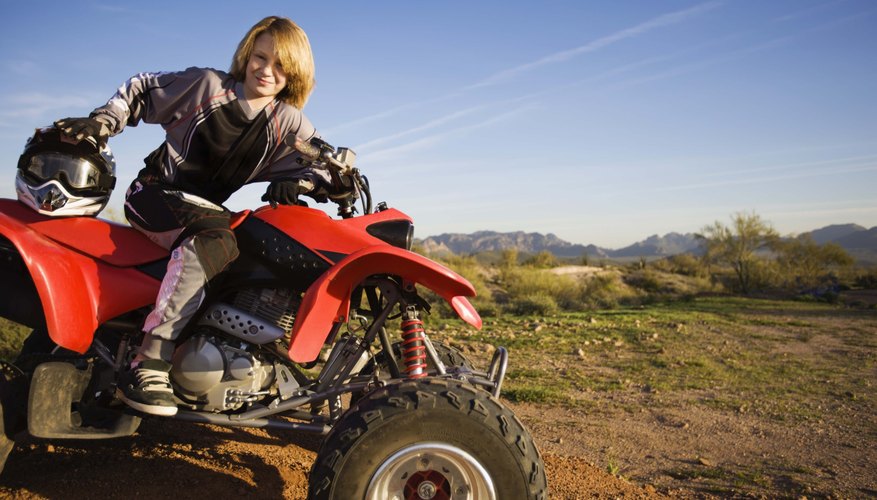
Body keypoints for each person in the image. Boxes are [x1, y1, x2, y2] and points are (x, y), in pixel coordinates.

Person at [54, 16, 333, 416]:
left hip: (207, 211)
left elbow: (322, 162)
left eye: (281, 65)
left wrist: (309, 184)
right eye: (260, 57)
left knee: (254, 244)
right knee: (214, 238)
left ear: (296, 73)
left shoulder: (287, 121)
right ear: (247, 54)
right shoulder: (207, 86)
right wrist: (102, 122)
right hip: (155, 194)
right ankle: (149, 361)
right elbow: (143, 88)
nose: (267, 71)